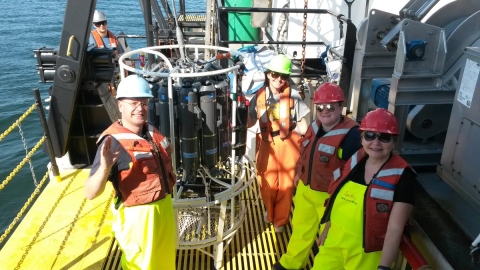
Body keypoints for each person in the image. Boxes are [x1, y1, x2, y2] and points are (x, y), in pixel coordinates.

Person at [84, 75, 176, 270]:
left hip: (163, 210)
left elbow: (167, 150)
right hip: (138, 220)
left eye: (143, 103)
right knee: (141, 265)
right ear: (120, 106)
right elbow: (90, 193)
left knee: (165, 262)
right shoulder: (113, 142)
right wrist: (104, 167)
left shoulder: (150, 130)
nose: (139, 108)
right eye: (133, 103)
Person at [313, 108, 416, 270]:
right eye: (369, 135)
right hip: (335, 241)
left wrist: (384, 267)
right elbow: (338, 199)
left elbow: (395, 228)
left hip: (367, 253)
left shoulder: (403, 177)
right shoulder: (355, 161)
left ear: (394, 141)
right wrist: (327, 228)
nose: (376, 143)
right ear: (361, 138)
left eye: (384, 137)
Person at [273, 82, 362, 270]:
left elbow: (355, 172)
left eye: (331, 106)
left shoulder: (352, 135)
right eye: (320, 107)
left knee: (328, 239)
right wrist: (299, 173)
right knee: (301, 229)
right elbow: (306, 152)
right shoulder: (315, 125)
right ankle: (291, 264)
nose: (325, 111)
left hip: (329, 197)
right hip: (306, 189)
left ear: (341, 107)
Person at [247, 54, 310, 233]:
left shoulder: (295, 96)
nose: (279, 79)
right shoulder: (258, 96)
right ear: (268, 75)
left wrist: (302, 137)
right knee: (266, 182)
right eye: (275, 74)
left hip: (289, 142)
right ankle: (270, 211)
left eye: (283, 76)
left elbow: (304, 126)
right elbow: (250, 123)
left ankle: (280, 221)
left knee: (286, 185)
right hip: (266, 142)